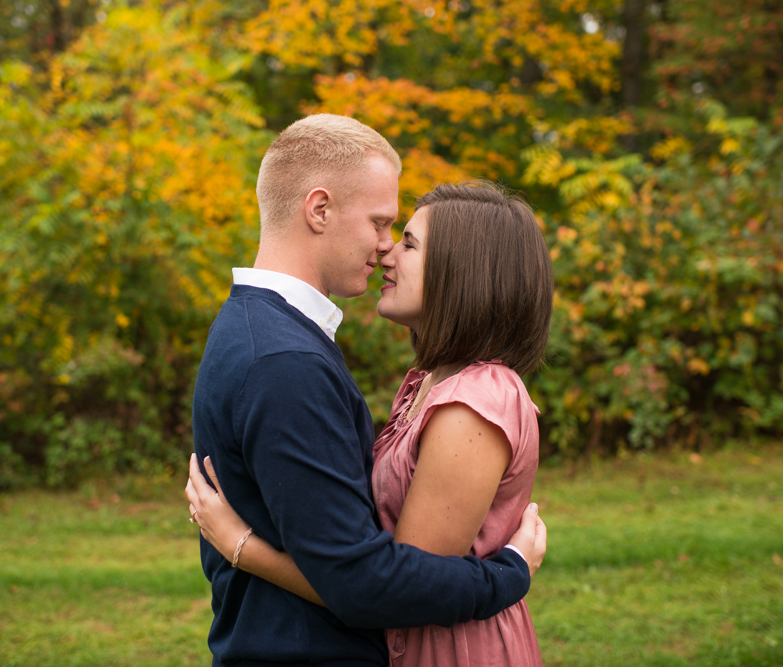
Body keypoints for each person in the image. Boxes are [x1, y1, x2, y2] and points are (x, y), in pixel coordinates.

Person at [185, 114, 548, 667]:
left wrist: (243, 547)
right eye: (383, 224)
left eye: (403, 239)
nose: (385, 248)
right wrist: (507, 574)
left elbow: (370, 577)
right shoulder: (284, 360)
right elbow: (365, 580)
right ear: (319, 209)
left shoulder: (261, 334)